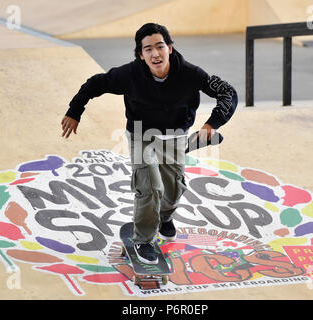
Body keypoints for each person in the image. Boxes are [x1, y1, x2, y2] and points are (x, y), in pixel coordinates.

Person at [61, 23, 238, 264]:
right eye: (148, 49)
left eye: (160, 46)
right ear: (140, 55)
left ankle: (165, 216)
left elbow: (228, 93)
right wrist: (75, 111)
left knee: (173, 190)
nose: (155, 54)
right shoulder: (129, 74)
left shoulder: (191, 74)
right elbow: (95, 83)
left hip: (175, 135)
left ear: (170, 48)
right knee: (150, 187)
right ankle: (144, 239)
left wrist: (211, 124)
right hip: (141, 134)